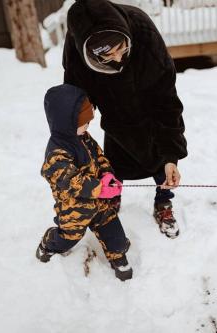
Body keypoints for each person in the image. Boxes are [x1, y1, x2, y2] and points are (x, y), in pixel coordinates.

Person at [62, 0, 188, 239]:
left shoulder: (143, 31)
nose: (119, 58)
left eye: (121, 48)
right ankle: (112, 197)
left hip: (151, 111)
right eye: (108, 55)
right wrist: (75, 134)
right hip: (115, 114)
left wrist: (172, 154)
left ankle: (163, 202)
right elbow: (76, 97)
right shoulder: (76, 51)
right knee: (113, 163)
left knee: (162, 164)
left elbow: (166, 99)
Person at [36, 84, 132, 281]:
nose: (88, 126)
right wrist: (99, 188)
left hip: (99, 203)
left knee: (113, 230)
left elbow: (99, 156)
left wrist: (107, 174)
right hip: (74, 209)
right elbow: (70, 181)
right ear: (67, 122)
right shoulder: (56, 153)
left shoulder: (84, 138)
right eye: (85, 122)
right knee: (68, 237)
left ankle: (118, 255)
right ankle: (48, 244)